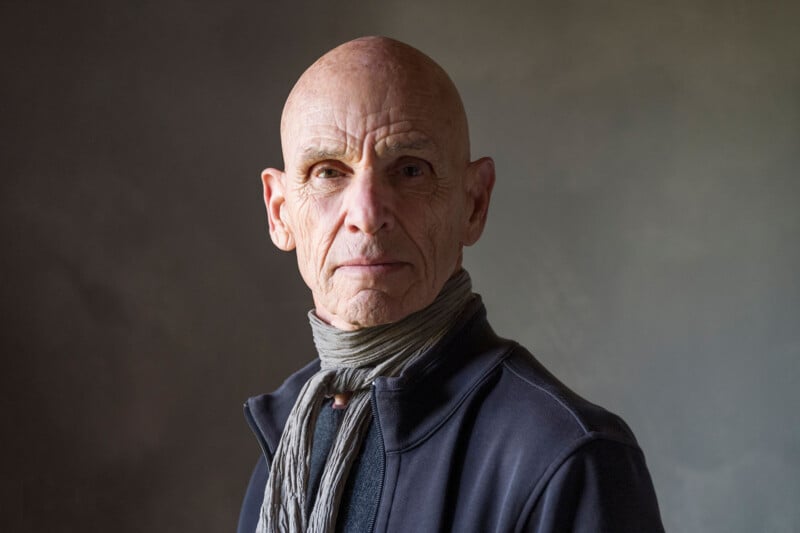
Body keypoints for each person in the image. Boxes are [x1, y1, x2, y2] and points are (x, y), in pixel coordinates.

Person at [238, 36, 664, 533]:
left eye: (410, 170)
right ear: (280, 212)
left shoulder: (568, 458)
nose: (368, 216)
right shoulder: (289, 439)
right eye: (329, 172)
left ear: (474, 204)